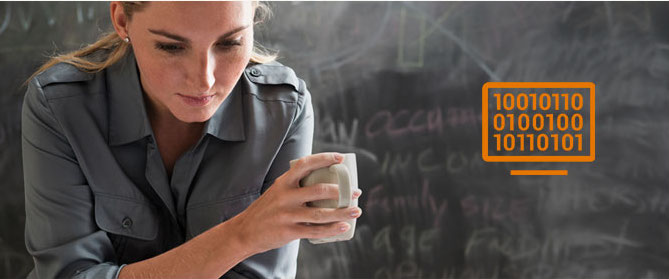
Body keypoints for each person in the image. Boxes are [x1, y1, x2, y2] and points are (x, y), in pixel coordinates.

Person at [21, 2, 362, 278]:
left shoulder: (283, 109)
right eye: (171, 46)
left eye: (230, 43)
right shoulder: (60, 106)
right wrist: (242, 234)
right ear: (122, 20)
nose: (204, 79)